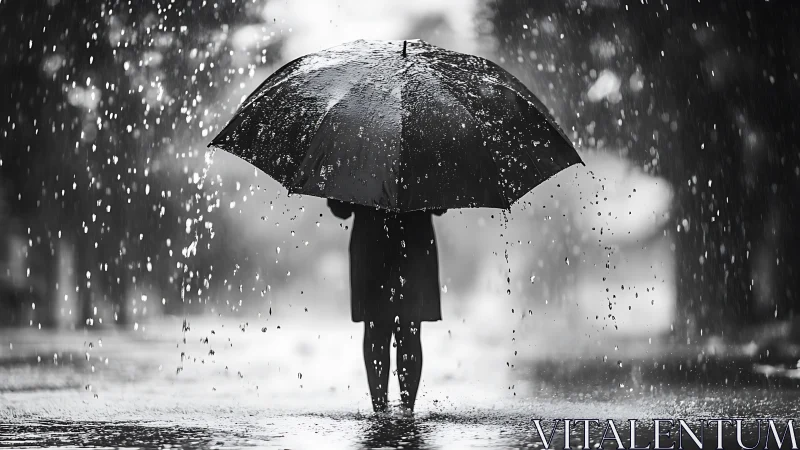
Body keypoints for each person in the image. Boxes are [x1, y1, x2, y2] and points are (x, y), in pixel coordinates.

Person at [327, 198, 446, 414]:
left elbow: (340, 209)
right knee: (410, 330)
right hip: (414, 244)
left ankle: (380, 410)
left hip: (371, 245)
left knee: (375, 331)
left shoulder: (359, 163)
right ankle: (407, 410)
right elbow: (440, 206)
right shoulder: (422, 164)